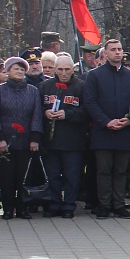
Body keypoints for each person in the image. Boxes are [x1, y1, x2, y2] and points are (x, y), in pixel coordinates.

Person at [83, 40, 130, 219]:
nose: (117, 53)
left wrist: (129, 120)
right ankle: (103, 204)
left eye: (119, 49)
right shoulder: (94, 76)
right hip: (103, 131)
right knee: (103, 170)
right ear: (105, 54)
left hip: (124, 131)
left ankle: (118, 204)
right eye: (113, 50)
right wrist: (105, 121)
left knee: (121, 170)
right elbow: (90, 102)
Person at [0, 58, 43, 219]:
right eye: (15, 69)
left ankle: (22, 208)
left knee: (23, 176)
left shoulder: (32, 91)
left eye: (22, 69)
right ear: (8, 71)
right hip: (4, 142)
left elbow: (37, 116)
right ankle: (9, 208)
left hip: (26, 141)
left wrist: (35, 138)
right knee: (6, 177)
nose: (19, 72)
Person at [40, 54, 90, 218]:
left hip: (73, 141)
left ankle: (69, 205)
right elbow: (35, 110)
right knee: (53, 175)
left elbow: (87, 111)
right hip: (51, 141)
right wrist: (44, 112)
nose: (63, 73)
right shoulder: (44, 86)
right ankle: (54, 203)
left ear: (73, 69)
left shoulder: (81, 87)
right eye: (60, 69)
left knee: (72, 176)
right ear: (54, 69)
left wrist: (68, 114)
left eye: (67, 69)